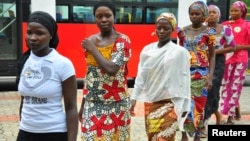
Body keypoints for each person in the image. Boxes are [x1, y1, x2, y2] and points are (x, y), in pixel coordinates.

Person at [16, 11, 78, 141]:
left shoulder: (63, 64)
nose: (32, 37)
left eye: (39, 33)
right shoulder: (24, 61)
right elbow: (24, 100)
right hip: (26, 132)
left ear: (51, 35)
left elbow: (71, 108)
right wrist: (24, 124)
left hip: (54, 133)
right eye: (29, 33)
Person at [130, 12, 191, 141]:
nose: (162, 31)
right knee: (152, 137)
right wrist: (134, 98)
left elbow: (184, 80)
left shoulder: (180, 52)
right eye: (159, 28)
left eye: (166, 28)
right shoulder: (147, 50)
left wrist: (185, 106)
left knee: (164, 138)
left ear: (172, 30)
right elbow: (141, 76)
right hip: (151, 102)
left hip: (171, 103)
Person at [78, 1, 132, 140]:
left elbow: (112, 69)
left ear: (114, 16)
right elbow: (90, 76)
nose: (103, 20)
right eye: (99, 16)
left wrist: (93, 49)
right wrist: (83, 106)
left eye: (108, 15)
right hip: (92, 103)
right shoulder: (90, 41)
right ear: (94, 18)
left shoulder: (123, 40)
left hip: (117, 105)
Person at [177, 1, 216, 141]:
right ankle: (183, 134)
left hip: (201, 74)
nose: (194, 16)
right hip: (184, 73)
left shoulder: (209, 32)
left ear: (203, 14)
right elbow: (180, 53)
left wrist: (210, 77)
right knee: (183, 104)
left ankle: (197, 135)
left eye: (197, 14)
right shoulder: (182, 32)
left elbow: (212, 56)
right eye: (191, 14)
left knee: (199, 106)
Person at [200, 4, 236, 137]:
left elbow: (233, 47)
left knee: (212, 91)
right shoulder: (201, 29)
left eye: (214, 12)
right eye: (209, 12)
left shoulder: (225, 29)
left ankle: (204, 124)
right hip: (202, 63)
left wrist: (214, 52)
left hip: (218, 63)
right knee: (205, 92)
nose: (211, 15)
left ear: (219, 15)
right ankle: (219, 118)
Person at [220, 1, 250, 125]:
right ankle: (235, 109)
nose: (233, 13)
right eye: (232, 10)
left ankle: (229, 116)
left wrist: (239, 47)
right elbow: (219, 42)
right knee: (226, 86)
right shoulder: (224, 25)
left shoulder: (247, 25)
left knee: (235, 86)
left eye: (236, 10)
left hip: (241, 60)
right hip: (226, 59)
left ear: (242, 11)